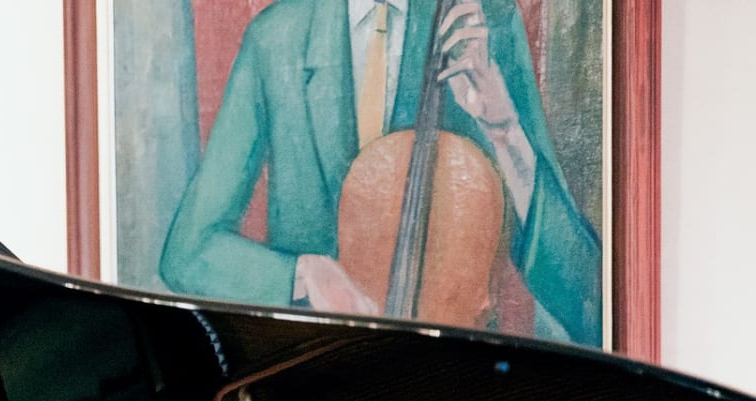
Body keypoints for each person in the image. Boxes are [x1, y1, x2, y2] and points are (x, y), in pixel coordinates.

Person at [157, 0, 600, 346]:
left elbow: (588, 300)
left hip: (454, 394)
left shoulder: (482, 27)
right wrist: (305, 275)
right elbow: (187, 253)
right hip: (316, 386)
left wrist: (505, 131)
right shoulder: (275, 41)